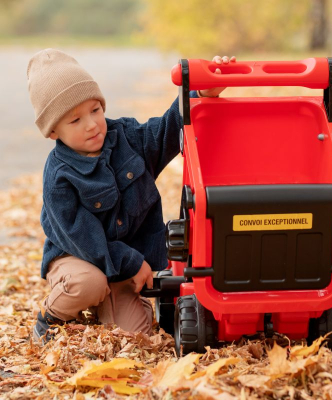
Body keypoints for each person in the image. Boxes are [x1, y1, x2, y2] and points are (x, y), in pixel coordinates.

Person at [27, 48, 236, 344]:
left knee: (135, 334)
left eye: (95, 110)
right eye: (75, 121)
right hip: (78, 258)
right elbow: (83, 238)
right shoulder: (59, 175)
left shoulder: (128, 137)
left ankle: (105, 304)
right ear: (53, 132)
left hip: (126, 265)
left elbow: (167, 130)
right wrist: (132, 262)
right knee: (89, 283)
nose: (91, 124)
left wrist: (202, 91)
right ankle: (51, 317)